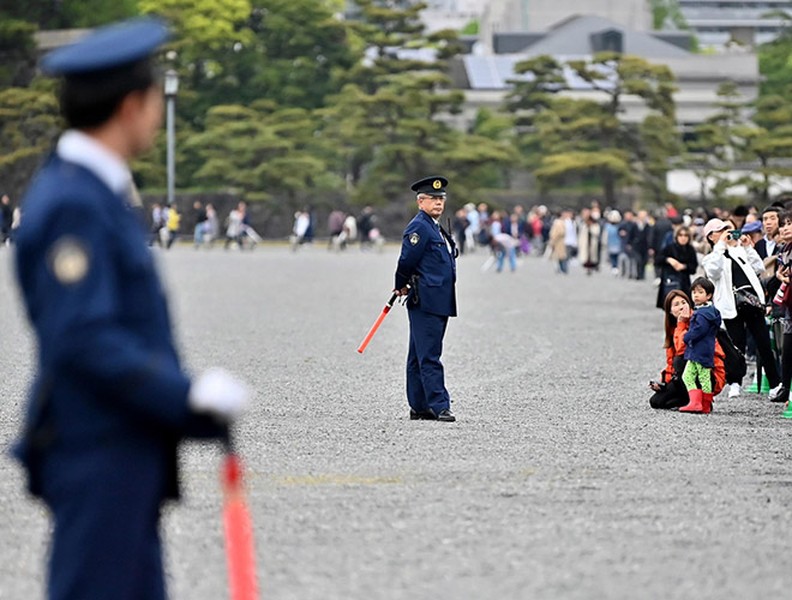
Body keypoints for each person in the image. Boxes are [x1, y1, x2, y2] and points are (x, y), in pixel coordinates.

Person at [10, 18, 250, 599]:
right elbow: (83, 336)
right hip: (97, 444)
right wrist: (184, 396)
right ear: (131, 106)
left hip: (117, 441)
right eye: (155, 98)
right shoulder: (74, 202)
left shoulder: (89, 189)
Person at [394, 175, 457, 422]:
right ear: (420, 202)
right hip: (427, 299)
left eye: (441, 198)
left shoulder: (433, 225)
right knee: (430, 355)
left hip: (438, 297)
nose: (438, 202)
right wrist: (400, 285)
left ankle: (420, 405)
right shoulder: (419, 227)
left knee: (418, 354)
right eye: (432, 198)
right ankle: (439, 405)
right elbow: (406, 260)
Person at [701, 217, 783, 399]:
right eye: (720, 231)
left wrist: (747, 247)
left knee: (763, 343)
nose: (725, 233)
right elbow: (713, 271)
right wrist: (721, 246)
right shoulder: (711, 257)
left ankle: (775, 384)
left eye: (727, 229)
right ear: (711, 236)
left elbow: (759, 268)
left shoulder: (739, 250)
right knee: (736, 347)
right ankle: (735, 383)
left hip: (751, 303)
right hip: (730, 306)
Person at [650, 290, 726, 410]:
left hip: (707, 373)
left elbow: (682, 350)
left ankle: (704, 401)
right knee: (656, 402)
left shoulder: (699, 321)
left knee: (679, 361)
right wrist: (665, 383)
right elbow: (670, 361)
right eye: (676, 305)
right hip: (686, 374)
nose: (681, 307)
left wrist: (681, 323)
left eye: (684, 302)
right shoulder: (673, 328)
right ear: (670, 311)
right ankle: (691, 401)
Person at [679, 278, 722, 413]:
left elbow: (699, 329)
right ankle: (698, 403)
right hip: (699, 351)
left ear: (708, 295)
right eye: (694, 292)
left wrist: (687, 337)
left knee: (702, 377)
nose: (696, 295)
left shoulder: (703, 313)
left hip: (700, 351)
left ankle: (703, 404)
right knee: (689, 376)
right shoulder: (710, 311)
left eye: (700, 292)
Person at [655, 226, 698, 309]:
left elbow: (693, 267)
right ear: (676, 237)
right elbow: (658, 260)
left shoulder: (690, 250)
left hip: (684, 284)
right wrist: (668, 260)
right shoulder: (669, 248)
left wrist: (683, 266)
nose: (683, 238)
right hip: (669, 282)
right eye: (680, 235)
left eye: (686, 236)